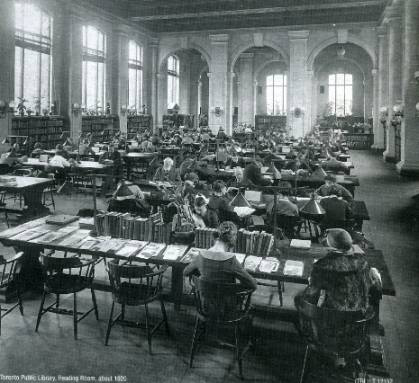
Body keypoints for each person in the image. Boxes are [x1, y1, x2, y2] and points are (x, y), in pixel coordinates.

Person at [183, 221, 257, 290]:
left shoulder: (201, 255)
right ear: (233, 237)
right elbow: (253, 284)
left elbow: (186, 272)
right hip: (227, 303)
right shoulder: (231, 260)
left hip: (205, 302)